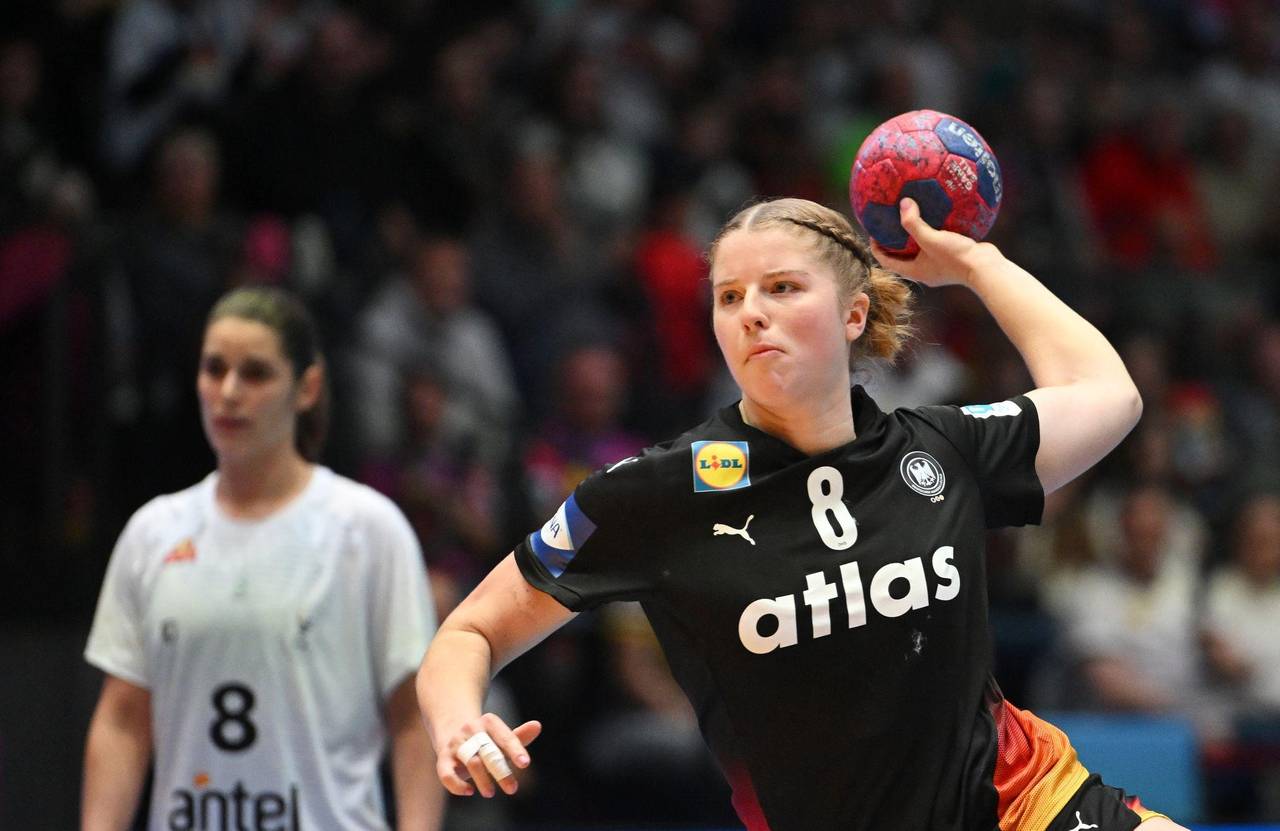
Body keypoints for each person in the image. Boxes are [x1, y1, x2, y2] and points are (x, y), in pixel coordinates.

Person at [418, 196, 1190, 831]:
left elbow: (1108, 395)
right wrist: (458, 721)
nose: (752, 312)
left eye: (782, 288)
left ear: (854, 315)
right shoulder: (657, 493)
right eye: (729, 296)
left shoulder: (941, 449)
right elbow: (469, 631)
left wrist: (975, 265)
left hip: (1023, 801)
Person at [82, 286, 443, 830]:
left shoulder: (367, 529)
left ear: (307, 387)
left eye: (255, 373)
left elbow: (414, 718)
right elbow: (123, 719)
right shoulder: (153, 533)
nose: (228, 392)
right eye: (214, 369)